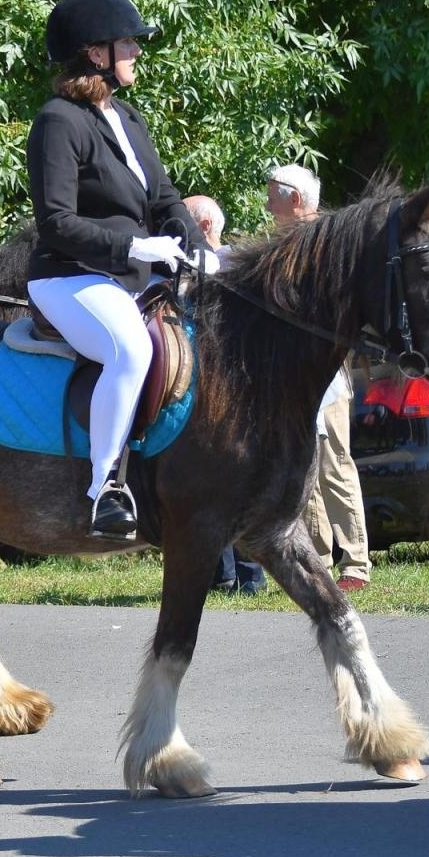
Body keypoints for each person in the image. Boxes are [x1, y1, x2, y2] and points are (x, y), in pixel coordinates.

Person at [27, 0, 213, 539]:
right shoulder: (58, 120)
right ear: (94, 52)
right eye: (127, 42)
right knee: (128, 348)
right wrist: (134, 247)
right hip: (70, 276)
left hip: (135, 272)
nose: (136, 51)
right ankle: (104, 487)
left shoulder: (126, 116)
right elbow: (56, 221)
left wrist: (197, 249)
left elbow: (163, 199)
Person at [266, 164, 373, 590]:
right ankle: (321, 559)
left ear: (295, 198)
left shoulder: (328, 242)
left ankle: (357, 562)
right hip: (289, 375)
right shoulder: (281, 243)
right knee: (304, 464)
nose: (266, 202)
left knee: (334, 465)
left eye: (272, 193)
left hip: (324, 375)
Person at [185, 195, 268, 594]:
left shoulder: (236, 266)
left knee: (242, 482)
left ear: (202, 228)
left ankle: (250, 576)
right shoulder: (184, 266)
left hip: (239, 393)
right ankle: (222, 575)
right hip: (198, 393)